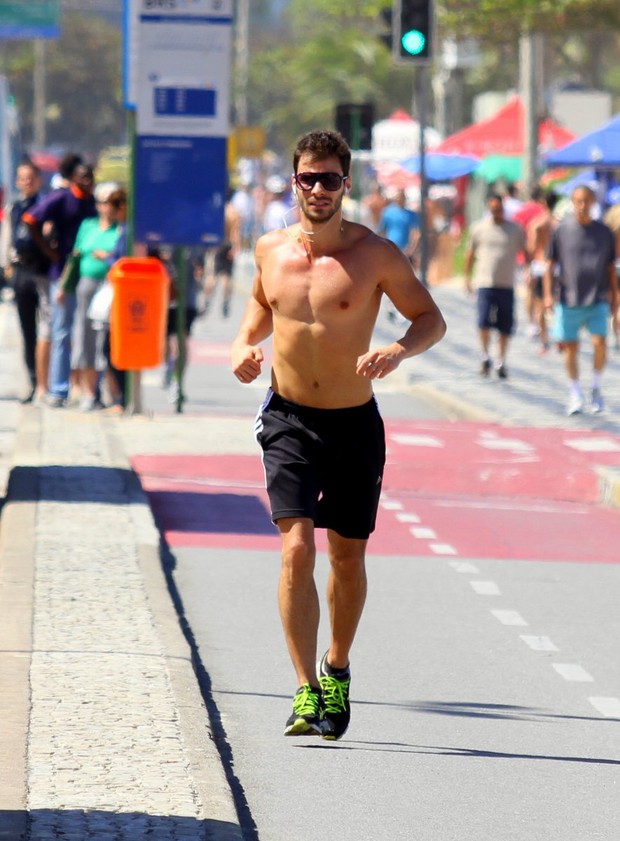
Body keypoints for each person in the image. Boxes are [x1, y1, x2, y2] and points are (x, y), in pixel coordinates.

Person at [231, 129, 445, 740]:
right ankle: (303, 689)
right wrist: (245, 347)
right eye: (308, 178)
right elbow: (258, 309)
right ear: (293, 181)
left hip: (354, 424)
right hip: (289, 418)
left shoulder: (376, 254)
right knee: (295, 545)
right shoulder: (270, 249)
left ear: (346, 185)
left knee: (346, 557)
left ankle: (336, 667)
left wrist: (398, 350)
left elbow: (431, 317)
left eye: (330, 179)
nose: (318, 189)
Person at [23, 157, 97, 406]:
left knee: (84, 331)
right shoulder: (61, 198)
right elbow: (31, 219)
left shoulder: (94, 203)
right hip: (62, 272)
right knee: (61, 331)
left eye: (90, 177)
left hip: (86, 272)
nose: (87, 181)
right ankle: (58, 389)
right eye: (83, 177)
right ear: (73, 178)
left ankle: (83, 388)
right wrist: (47, 249)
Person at [543, 185, 618, 415]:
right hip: (569, 299)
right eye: (578, 201)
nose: (582, 205)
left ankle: (595, 386)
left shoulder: (604, 233)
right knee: (570, 348)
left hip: (598, 298)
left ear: (593, 202)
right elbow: (549, 265)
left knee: (599, 343)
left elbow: (610, 268)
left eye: (586, 201)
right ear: (572, 202)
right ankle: (575, 391)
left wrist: (616, 299)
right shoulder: (561, 231)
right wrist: (547, 295)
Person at [63, 184, 124, 411]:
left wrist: (107, 256)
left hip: (110, 286)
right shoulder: (88, 226)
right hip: (86, 285)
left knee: (108, 341)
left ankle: (115, 393)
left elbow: (120, 255)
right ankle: (90, 392)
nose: (106, 208)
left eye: (112, 203)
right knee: (86, 338)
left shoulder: (121, 230)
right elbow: (77, 255)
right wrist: (63, 286)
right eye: (102, 202)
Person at [0, 160, 51, 402]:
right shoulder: (15, 207)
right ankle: (32, 380)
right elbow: (7, 236)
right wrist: (6, 265)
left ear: (38, 180)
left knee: (47, 328)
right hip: (20, 269)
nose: (27, 182)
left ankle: (46, 382)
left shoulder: (44, 205)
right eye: (23, 178)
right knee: (26, 329)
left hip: (41, 270)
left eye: (31, 177)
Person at [464, 193, 527, 379]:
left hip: (507, 283)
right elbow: (470, 254)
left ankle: (501, 360)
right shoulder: (478, 228)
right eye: (493, 210)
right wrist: (467, 278)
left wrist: (528, 270)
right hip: (485, 282)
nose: (496, 213)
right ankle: (485, 356)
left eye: (499, 209)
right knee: (483, 321)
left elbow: (525, 252)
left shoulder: (514, 229)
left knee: (505, 325)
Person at [524, 190, 559, 353]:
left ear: (544, 203)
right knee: (558, 304)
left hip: (539, 265)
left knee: (540, 305)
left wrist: (527, 268)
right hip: (557, 267)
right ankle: (560, 337)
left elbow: (531, 248)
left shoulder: (537, 224)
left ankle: (545, 339)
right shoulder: (559, 224)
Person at [203, 190, 242, 318]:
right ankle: (225, 302)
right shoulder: (234, 212)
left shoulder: (218, 211)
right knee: (227, 276)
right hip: (229, 244)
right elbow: (236, 233)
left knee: (212, 274)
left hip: (218, 244)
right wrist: (236, 247)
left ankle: (207, 301)